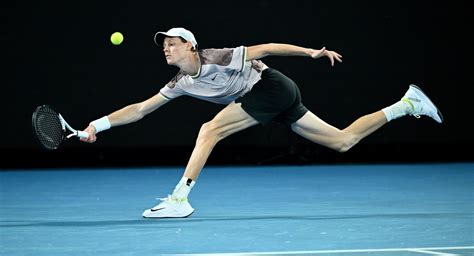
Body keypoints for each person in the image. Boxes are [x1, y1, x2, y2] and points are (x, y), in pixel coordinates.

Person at [80, 27, 443, 218]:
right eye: (164, 46)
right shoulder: (181, 82)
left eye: (173, 43)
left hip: (272, 86)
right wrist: (97, 124)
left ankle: (180, 199)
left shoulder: (218, 57)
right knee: (342, 141)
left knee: (210, 129)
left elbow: (267, 47)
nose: (166, 48)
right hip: (270, 100)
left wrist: (311, 52)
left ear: (191, 46)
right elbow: (140, 109)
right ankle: (407, 103)